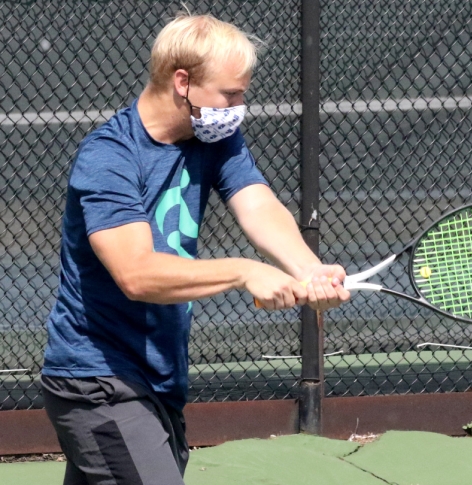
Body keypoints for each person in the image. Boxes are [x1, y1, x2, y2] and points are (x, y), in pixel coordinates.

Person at [40, 13, 350, 484]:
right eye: (230, 94)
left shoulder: (215, 137)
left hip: (159, 380)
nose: (239, 106)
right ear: (182, 82)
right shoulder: (108, 157)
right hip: (99, 381)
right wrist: (245, 271)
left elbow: (258, 205)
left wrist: (309, 270)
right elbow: (136, 273)